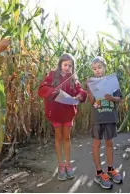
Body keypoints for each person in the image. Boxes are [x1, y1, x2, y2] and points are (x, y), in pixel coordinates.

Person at [38, 53, 87, 181]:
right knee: (58, 137)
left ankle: (68, 164)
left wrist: (80, 96)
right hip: (55, 112)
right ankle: (60, 165)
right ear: (60, 64)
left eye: (70, 66)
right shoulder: (52, 75)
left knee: (67, 137)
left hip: (68, 113)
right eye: (65, 65)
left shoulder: (73, 78)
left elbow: (80, 90)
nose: (67, 68)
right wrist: (53, 91)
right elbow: (42, 88)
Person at [86, 56, 123, 189]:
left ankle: (110, 169)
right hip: (97, 118)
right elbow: (91, 101)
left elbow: (119, 98)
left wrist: (111, 98)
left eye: (99, 67)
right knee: (96, 144)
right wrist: (89, 89)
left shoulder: (112, 81)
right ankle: (99, 173)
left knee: (109, 143)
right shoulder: (92, 82)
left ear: (105, 67)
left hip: (110, 117)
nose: (97, 70)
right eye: (94, 68)